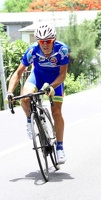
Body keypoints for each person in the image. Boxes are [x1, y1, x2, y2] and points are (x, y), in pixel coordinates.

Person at [5, 23, 69, 164]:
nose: (45, 45)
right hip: (38, 77)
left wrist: (52, 86)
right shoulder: (32, 51)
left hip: (55, 80)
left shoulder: (62, 50)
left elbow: (63, 75)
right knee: (25, 97)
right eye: (41, 41)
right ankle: (29, 120)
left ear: (54, 40)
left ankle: (60, 148)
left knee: (57, 112)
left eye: (48, 41)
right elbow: (18, 73)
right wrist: (9, 92)